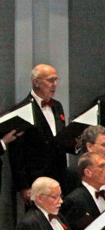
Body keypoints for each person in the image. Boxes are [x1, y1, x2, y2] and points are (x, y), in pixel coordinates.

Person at [8, 64, 67, 204]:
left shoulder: (57, 106)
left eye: (56, 80)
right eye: (50, 80)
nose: (55, 84)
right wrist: (23, 186)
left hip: (59, 176)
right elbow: (16, 153)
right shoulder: (22, 110)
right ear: (36, 82)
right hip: (36, 181)